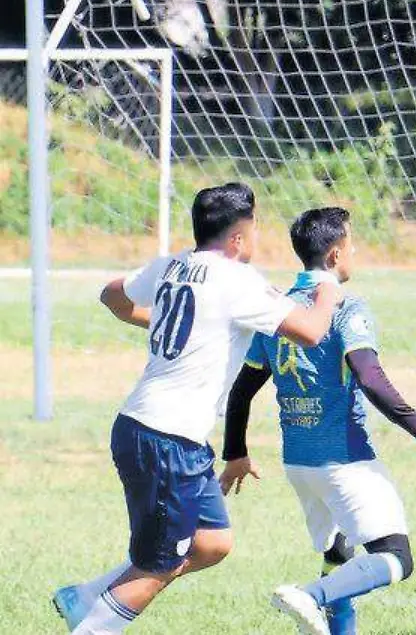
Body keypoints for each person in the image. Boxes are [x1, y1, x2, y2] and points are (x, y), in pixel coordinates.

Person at [52, 183, 341, 634]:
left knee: (211, 543)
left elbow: (112, 296)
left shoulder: (173, 264)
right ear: (239, 239)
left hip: (148, 428)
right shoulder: (238, 280)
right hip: (167, 439)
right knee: (159, 564)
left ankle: (87, 596)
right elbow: (310, 331)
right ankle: (94, 622)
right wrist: (327, 289)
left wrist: (166, 321)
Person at [219, 207, 416, 635]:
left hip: (299, 465)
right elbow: (368, 376)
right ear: (334, 256)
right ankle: (311, 596)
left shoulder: (279, 310)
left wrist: (235, 452)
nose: (355, 251)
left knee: (341, 552)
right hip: (343, 459)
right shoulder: (345, 308)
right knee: (396, 556)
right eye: (351, 245)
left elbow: (242, 390)